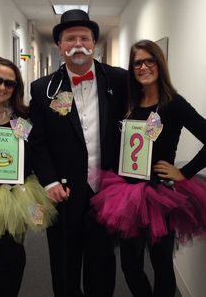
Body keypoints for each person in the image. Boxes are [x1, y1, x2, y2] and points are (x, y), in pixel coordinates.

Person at [91, 39, 206, 297]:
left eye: (149, 61)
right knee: (130, 266)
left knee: (161, 264)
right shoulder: (129, 103)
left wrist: (184, 172)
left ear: (159, 64)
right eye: (137, 63)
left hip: (160, 195)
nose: (143, 67)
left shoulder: (174, 104)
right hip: (126, 194)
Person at [29, 9, 128, 297]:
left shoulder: (119, 80)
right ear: (60, 46)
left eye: (84, 37)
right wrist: (48, 181)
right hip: (63, 193)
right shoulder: (42, 89)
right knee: (64, 268)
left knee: (103, 266)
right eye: (70, 38)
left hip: (105, 193)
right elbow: (37, 142)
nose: (78, 44)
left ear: (94, 43)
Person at [0, 56, 57, 297]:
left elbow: (33, 153)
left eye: (9, 83)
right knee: (11, 257)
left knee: (9, 259)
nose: (2, 87)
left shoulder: (18, 119)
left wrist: (51, 181)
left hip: (19, 196)